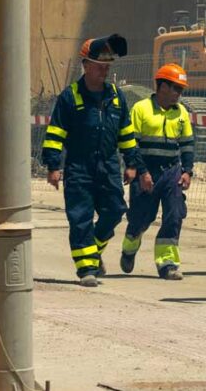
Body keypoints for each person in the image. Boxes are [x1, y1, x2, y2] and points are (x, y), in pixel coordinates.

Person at [42, 34, 145, 287]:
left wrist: (132, 163)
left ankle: (92, 251)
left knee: (115, 211)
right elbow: (55, 133)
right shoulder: (70, 97)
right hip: (79, 167)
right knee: (81, 218)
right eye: (100, 66)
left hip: (109, 166)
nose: (105, 71)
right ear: (86, 65)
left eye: (108, 67)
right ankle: (87, 268)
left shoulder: (116, 96)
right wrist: (53, 166)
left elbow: (126, 134)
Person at [119, 64, 195, 280]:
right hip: (146, 170)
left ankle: (167, 263)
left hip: (172, 171)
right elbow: (131, 144)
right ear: (161, 86)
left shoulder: (181, 113)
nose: (179, 94)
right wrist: (141, 172)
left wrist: (187, 171)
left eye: (181, 90)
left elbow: (188, 144)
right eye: (175, 88)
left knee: (175, 214)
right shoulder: (141, 109)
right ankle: (129, 247)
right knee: (142, 217)